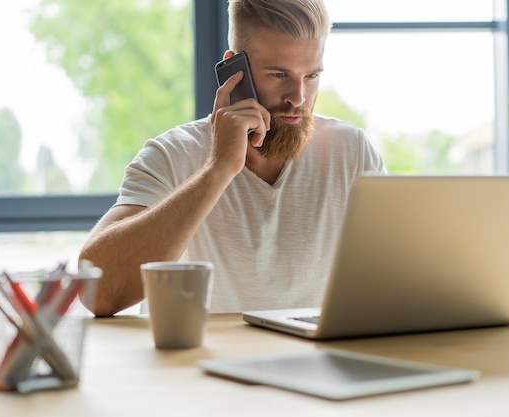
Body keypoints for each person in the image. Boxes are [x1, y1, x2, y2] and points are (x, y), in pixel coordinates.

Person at [78, 0, 386, 317]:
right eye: (279, 74)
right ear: (234, 71)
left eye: (311, 76)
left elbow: (395, 279)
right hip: (196, 365)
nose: (298, 98)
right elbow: (95, 291)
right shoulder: (171, 155)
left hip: (317, 363)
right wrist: (218, 169)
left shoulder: (352, 152)